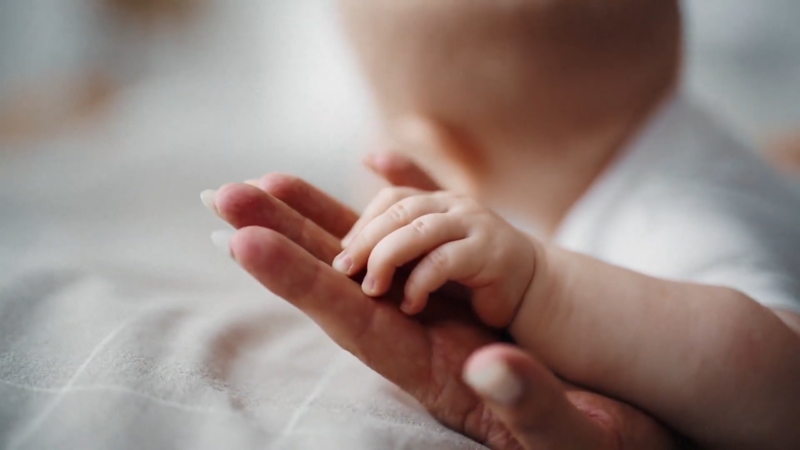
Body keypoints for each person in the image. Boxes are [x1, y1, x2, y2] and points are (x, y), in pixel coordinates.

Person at [201, 0, 800, 448]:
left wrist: (545, 286)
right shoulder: (653, 133)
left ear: (439, 152)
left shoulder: (675, 226)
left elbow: (783, 390)